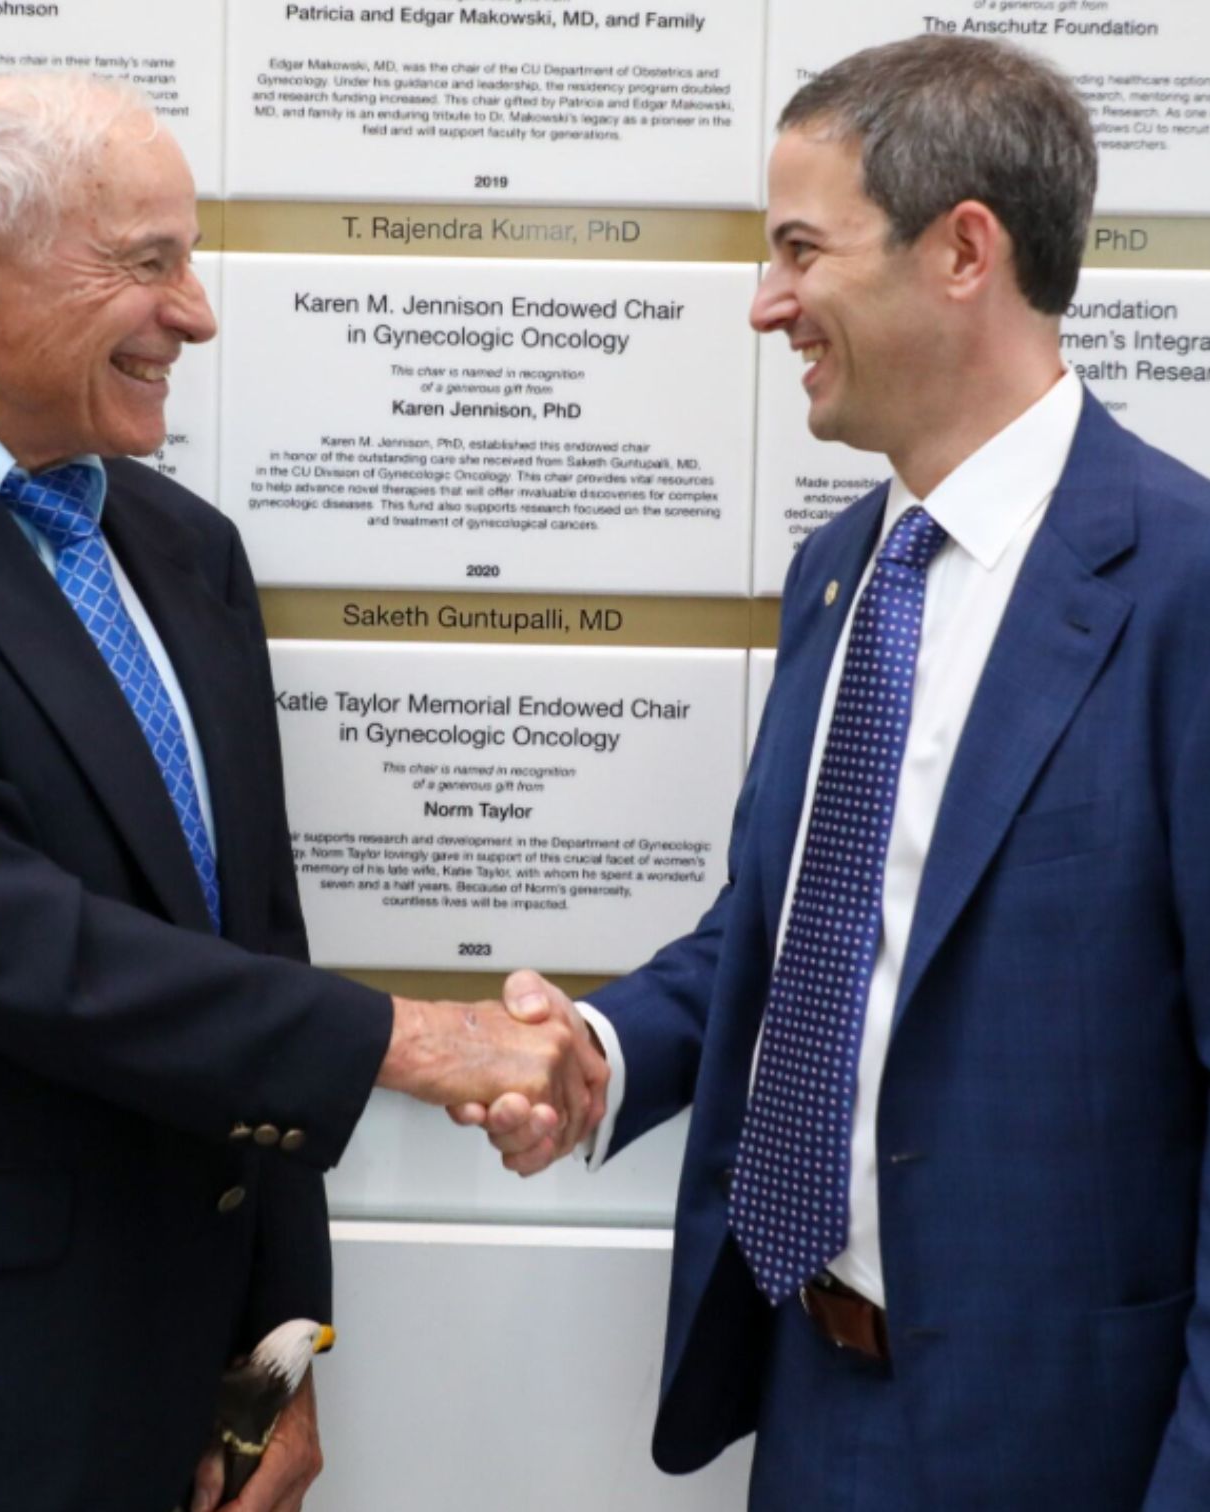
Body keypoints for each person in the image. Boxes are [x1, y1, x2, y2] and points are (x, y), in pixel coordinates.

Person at [0, 75, 605, 1512]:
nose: (195, 313)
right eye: (148, 263)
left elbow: (256, 950)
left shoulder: (186, 550)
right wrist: (414, 1041)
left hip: (185, 1405)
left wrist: (277, 1368)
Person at [467, 35, 1210, 1509]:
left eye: (801, 250)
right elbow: (799, 928)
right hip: (809, 1400)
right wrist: (600, 1058)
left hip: (1074, 1440)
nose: (765, 304)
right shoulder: (841, 575)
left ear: (963, 251)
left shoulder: (1182, 588)